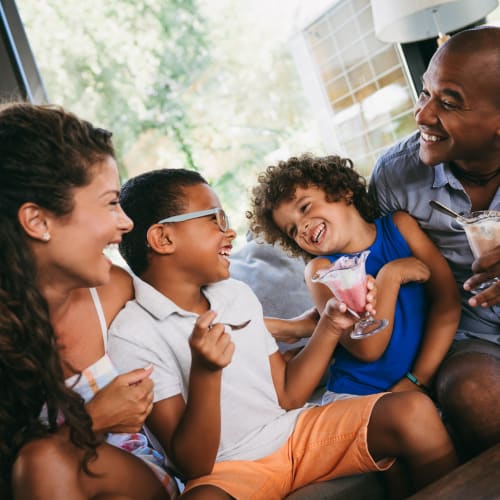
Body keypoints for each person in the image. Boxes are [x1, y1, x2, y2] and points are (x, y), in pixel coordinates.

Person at [108, 167, 458, 499]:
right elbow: (193, 464)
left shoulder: (236, 293)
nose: (229, 232)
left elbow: (288, 395)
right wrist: (206, 372)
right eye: (215, 220)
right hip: (228, 469)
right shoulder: (131, 334)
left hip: (294, 433)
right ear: (164, 237)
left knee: (414, 410)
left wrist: (331, 324)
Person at [0, 102, 175, 499]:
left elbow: (191, 318)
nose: (126, 222)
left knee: (44, 459)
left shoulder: (113, 289)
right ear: (38, 221)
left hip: (135, 480)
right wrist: (94, 418)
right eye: (111, 202)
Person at [368, 25, 500, 459]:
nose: (423, 115)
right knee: (474, 397)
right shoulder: (394, 178)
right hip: (473, 335)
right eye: (425, 93)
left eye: (449, 102)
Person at [247, 153, 461, 402]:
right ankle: (302, 327)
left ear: (344, 191)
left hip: (420, 381)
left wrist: (419, 378)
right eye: (292, 230)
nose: (302, 226)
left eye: (305, 208)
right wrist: (390, 276)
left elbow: (447, 303)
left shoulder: (400, 227)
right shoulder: (320, 270)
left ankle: (302, 327)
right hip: (357, 394)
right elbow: (367, 349)